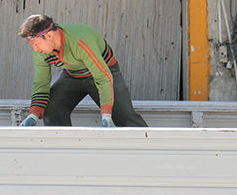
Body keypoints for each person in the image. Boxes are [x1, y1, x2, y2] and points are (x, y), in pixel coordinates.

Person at [18, 14, 147, 127]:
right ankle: (63, 146)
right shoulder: (40, 52)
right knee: (51, 108)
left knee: (124, 116)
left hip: (105, 73)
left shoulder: (80, 41)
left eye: (36, 44)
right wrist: (34, 114)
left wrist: (107, 114)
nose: (35, 49)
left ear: (49, 35)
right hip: (72, 75)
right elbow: (41, 83)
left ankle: (148, 145)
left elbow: (102, 77)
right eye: (32, 45)